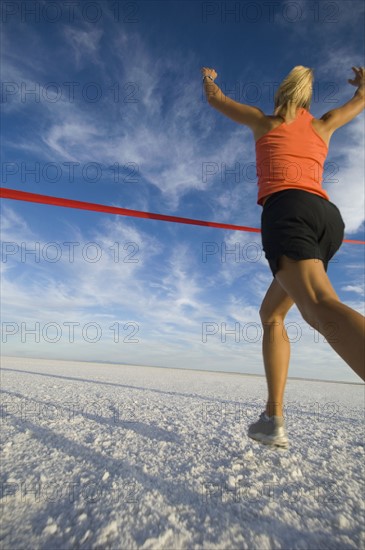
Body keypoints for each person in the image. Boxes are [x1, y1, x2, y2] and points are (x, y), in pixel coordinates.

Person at [201, 65, 365, 448]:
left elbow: (215, 99)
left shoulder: (264, 122)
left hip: (287, 212)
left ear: (280, 97)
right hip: (327, 220)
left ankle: (274, 418)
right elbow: (360, 101)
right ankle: (273, 418)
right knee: (272, 314)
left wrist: (209, 78)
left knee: (319, 305)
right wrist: (362, 86)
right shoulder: (323, 125)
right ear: (308, 101)